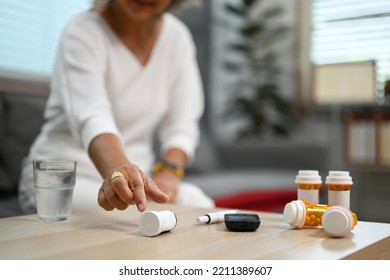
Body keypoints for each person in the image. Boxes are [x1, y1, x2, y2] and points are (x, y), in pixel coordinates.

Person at [18, 0, 215, 214]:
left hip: (135, 181)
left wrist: (169, 172)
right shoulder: (82, 31)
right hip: (61, 181)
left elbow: (183, 121)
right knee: (141, 215)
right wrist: (118, 173)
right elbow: (92, 117)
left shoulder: (177, 37)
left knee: (199, 203)